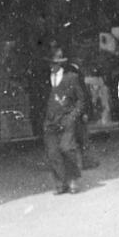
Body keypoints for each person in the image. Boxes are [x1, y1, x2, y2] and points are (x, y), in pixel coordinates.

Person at [42, 45, 86, 195]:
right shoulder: (44, 81)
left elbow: (81, 100)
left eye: (56, 63)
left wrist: (73, 116)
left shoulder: (71, 78)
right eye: (51, 63)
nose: (53, 66)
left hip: (66, 119)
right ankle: (61, 182)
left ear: (61, 63)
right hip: (50, 121)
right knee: (53, 152)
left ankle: (73, 179)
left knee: (67, 148)